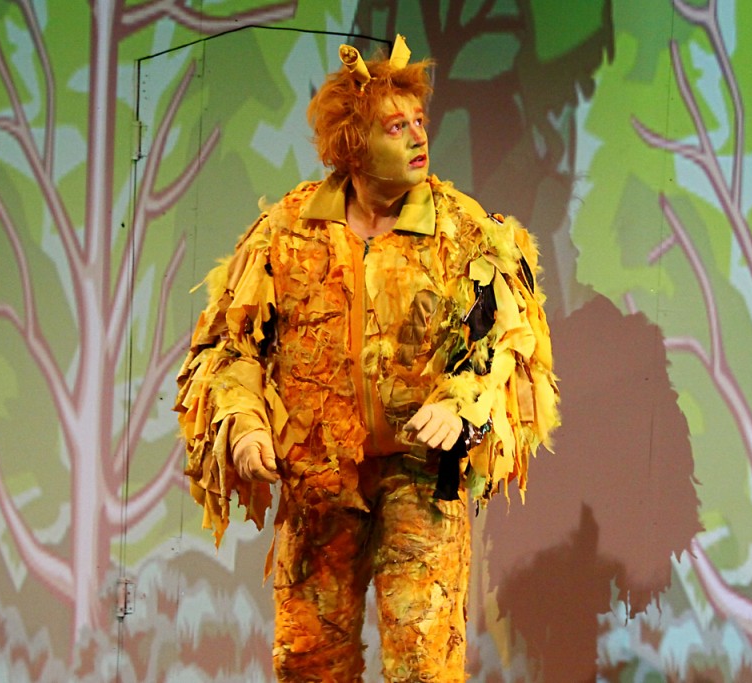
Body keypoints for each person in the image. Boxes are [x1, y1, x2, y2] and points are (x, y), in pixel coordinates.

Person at [175, 35, 558, 682]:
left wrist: (463, 402)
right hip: (318, 475)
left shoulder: (462, 230)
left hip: (421, 471)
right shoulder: (289, 230)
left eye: (419, 122)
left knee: (423, 659)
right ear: (353, 145)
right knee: (308, 660)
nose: (417, 136)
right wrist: (242, 420)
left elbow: (510, 341)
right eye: (395, 127)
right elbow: (228, 343)